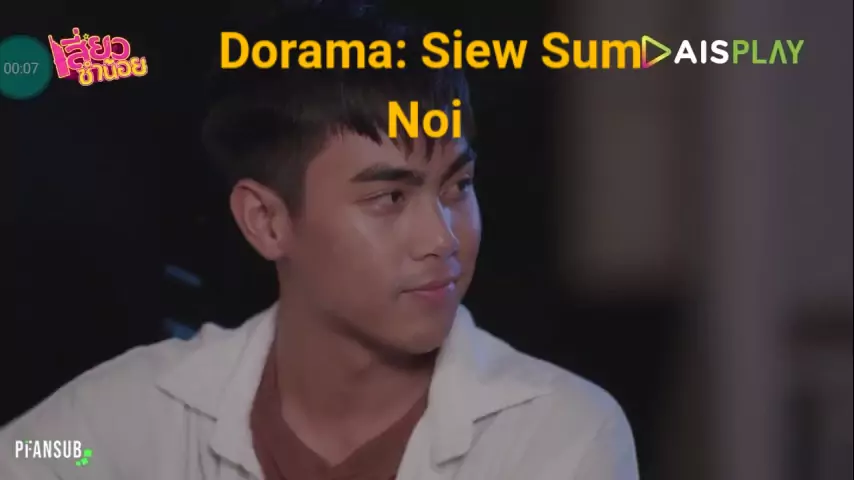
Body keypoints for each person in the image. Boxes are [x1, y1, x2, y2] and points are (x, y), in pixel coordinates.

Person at [0, 5, 638, 479]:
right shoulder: (139, 419)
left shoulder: (555, 435)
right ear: (266, 222)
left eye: (457, 187)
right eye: (389, 198)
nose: (442, 239)